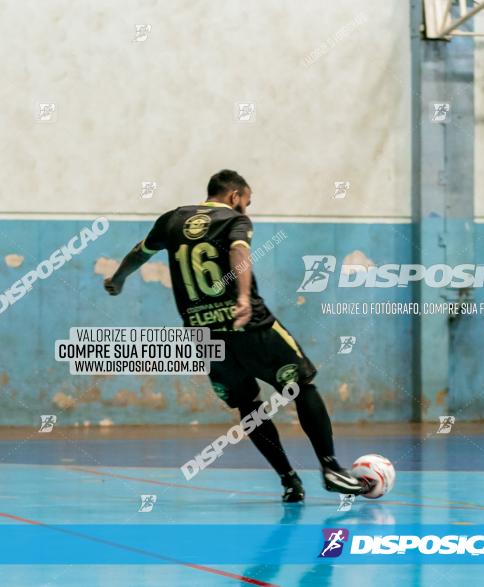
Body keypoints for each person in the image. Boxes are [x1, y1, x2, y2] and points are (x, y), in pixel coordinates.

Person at [104, 169, 365, 502]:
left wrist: (118, 278)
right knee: (301, 385)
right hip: (250, 325)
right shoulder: (233, 220)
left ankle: (288, 480)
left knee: (249, 406)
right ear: (235, 196)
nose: (247, 209)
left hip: (204, 335)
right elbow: (239, 253)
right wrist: (242, 297)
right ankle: (330, 468)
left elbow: (139, 252)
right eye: (247, 202)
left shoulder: (170, 220)